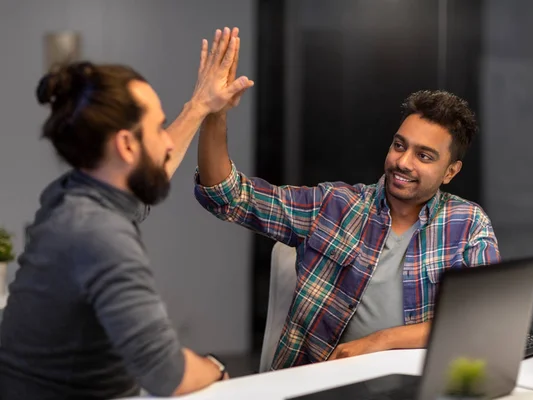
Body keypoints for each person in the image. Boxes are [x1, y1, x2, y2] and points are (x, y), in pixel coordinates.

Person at [0, 27, 253, 399]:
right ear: (126, 146)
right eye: (156, 128)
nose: (168, 140)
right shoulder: (100, 235)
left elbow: (154, 169)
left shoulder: (71, 197)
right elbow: (168, 373)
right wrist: (216, 370)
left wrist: (200, 105)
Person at [194, 89, 501, 370]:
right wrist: (214, 112)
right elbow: (228, 196)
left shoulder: (467, 224)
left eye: (424, 156)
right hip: (323, 384)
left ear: (450, 171)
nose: (403, 162)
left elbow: (480, 321)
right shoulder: (335, 206)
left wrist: (380, 341)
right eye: (399, 146)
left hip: (415, 385)